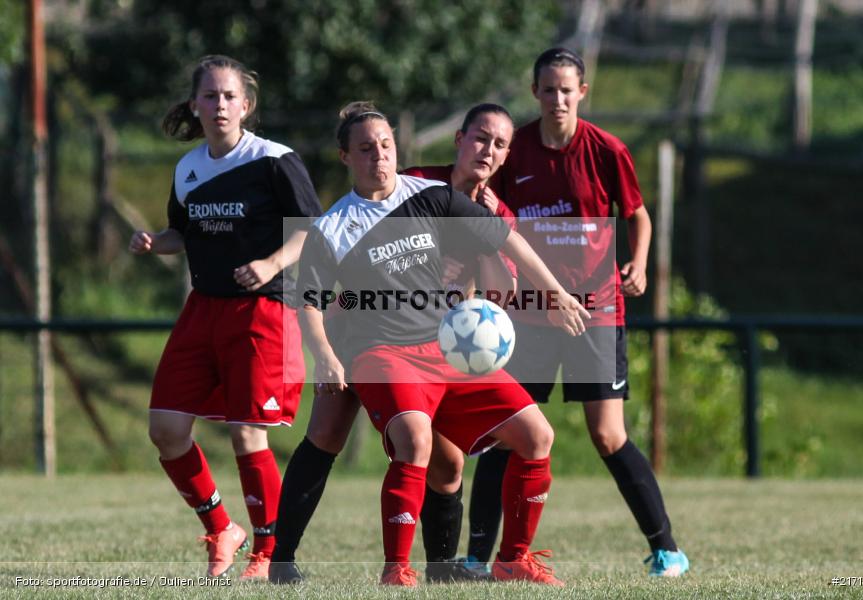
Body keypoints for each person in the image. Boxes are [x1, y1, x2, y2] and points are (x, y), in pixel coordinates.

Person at [293, 101, 591, 588]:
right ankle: (396, 570)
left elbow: (507, 250)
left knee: (538, 436)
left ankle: (513, 559)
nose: (379, 157)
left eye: (386, 145)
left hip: (446, 349)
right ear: (345, 156)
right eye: (366, 148)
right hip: (382, 352)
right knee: (413, 441)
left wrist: (555, 292)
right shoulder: (336, 225)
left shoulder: (438, 196)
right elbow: (308, 300)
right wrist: (326, 354)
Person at [268, 103, 521, 584]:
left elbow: (495, 283)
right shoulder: (421, 187)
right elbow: (316, 297)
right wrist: (325, 354)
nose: (485, 153)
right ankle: (281, 558)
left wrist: (480, 321)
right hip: (359, 338)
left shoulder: (479, 207)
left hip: (427, 341)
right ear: (460, 143)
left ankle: (443, 568)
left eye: (498, 145)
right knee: (325, 439)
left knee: (446, 460)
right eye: (479, 141)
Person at [467, 47, 690, 578]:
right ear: (536, 93)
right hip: (529, 313)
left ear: (582, 93)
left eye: (568, 89)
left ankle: (667, 549)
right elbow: (482, 215)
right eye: (549, 89)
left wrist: (637, 263)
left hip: (597, 311)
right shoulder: (513, 150)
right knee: (507, 430)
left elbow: (637, 215)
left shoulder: (607, 150)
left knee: (608, 435)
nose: (558, 98)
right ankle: (476, 557)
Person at [128, 55, 322, 580]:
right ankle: (221, 529)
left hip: (263, 308)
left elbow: (310, 230)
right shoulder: (188, 168)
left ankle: (268, 553)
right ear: (195, 105)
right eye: (210, 96)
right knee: (166, 429)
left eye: (229, 96)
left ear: (246, 105)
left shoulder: (275, 160)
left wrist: (270, 263)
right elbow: (180, 233)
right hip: (203, 308)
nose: (219, 105)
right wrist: (153, 242)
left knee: (247, 433)